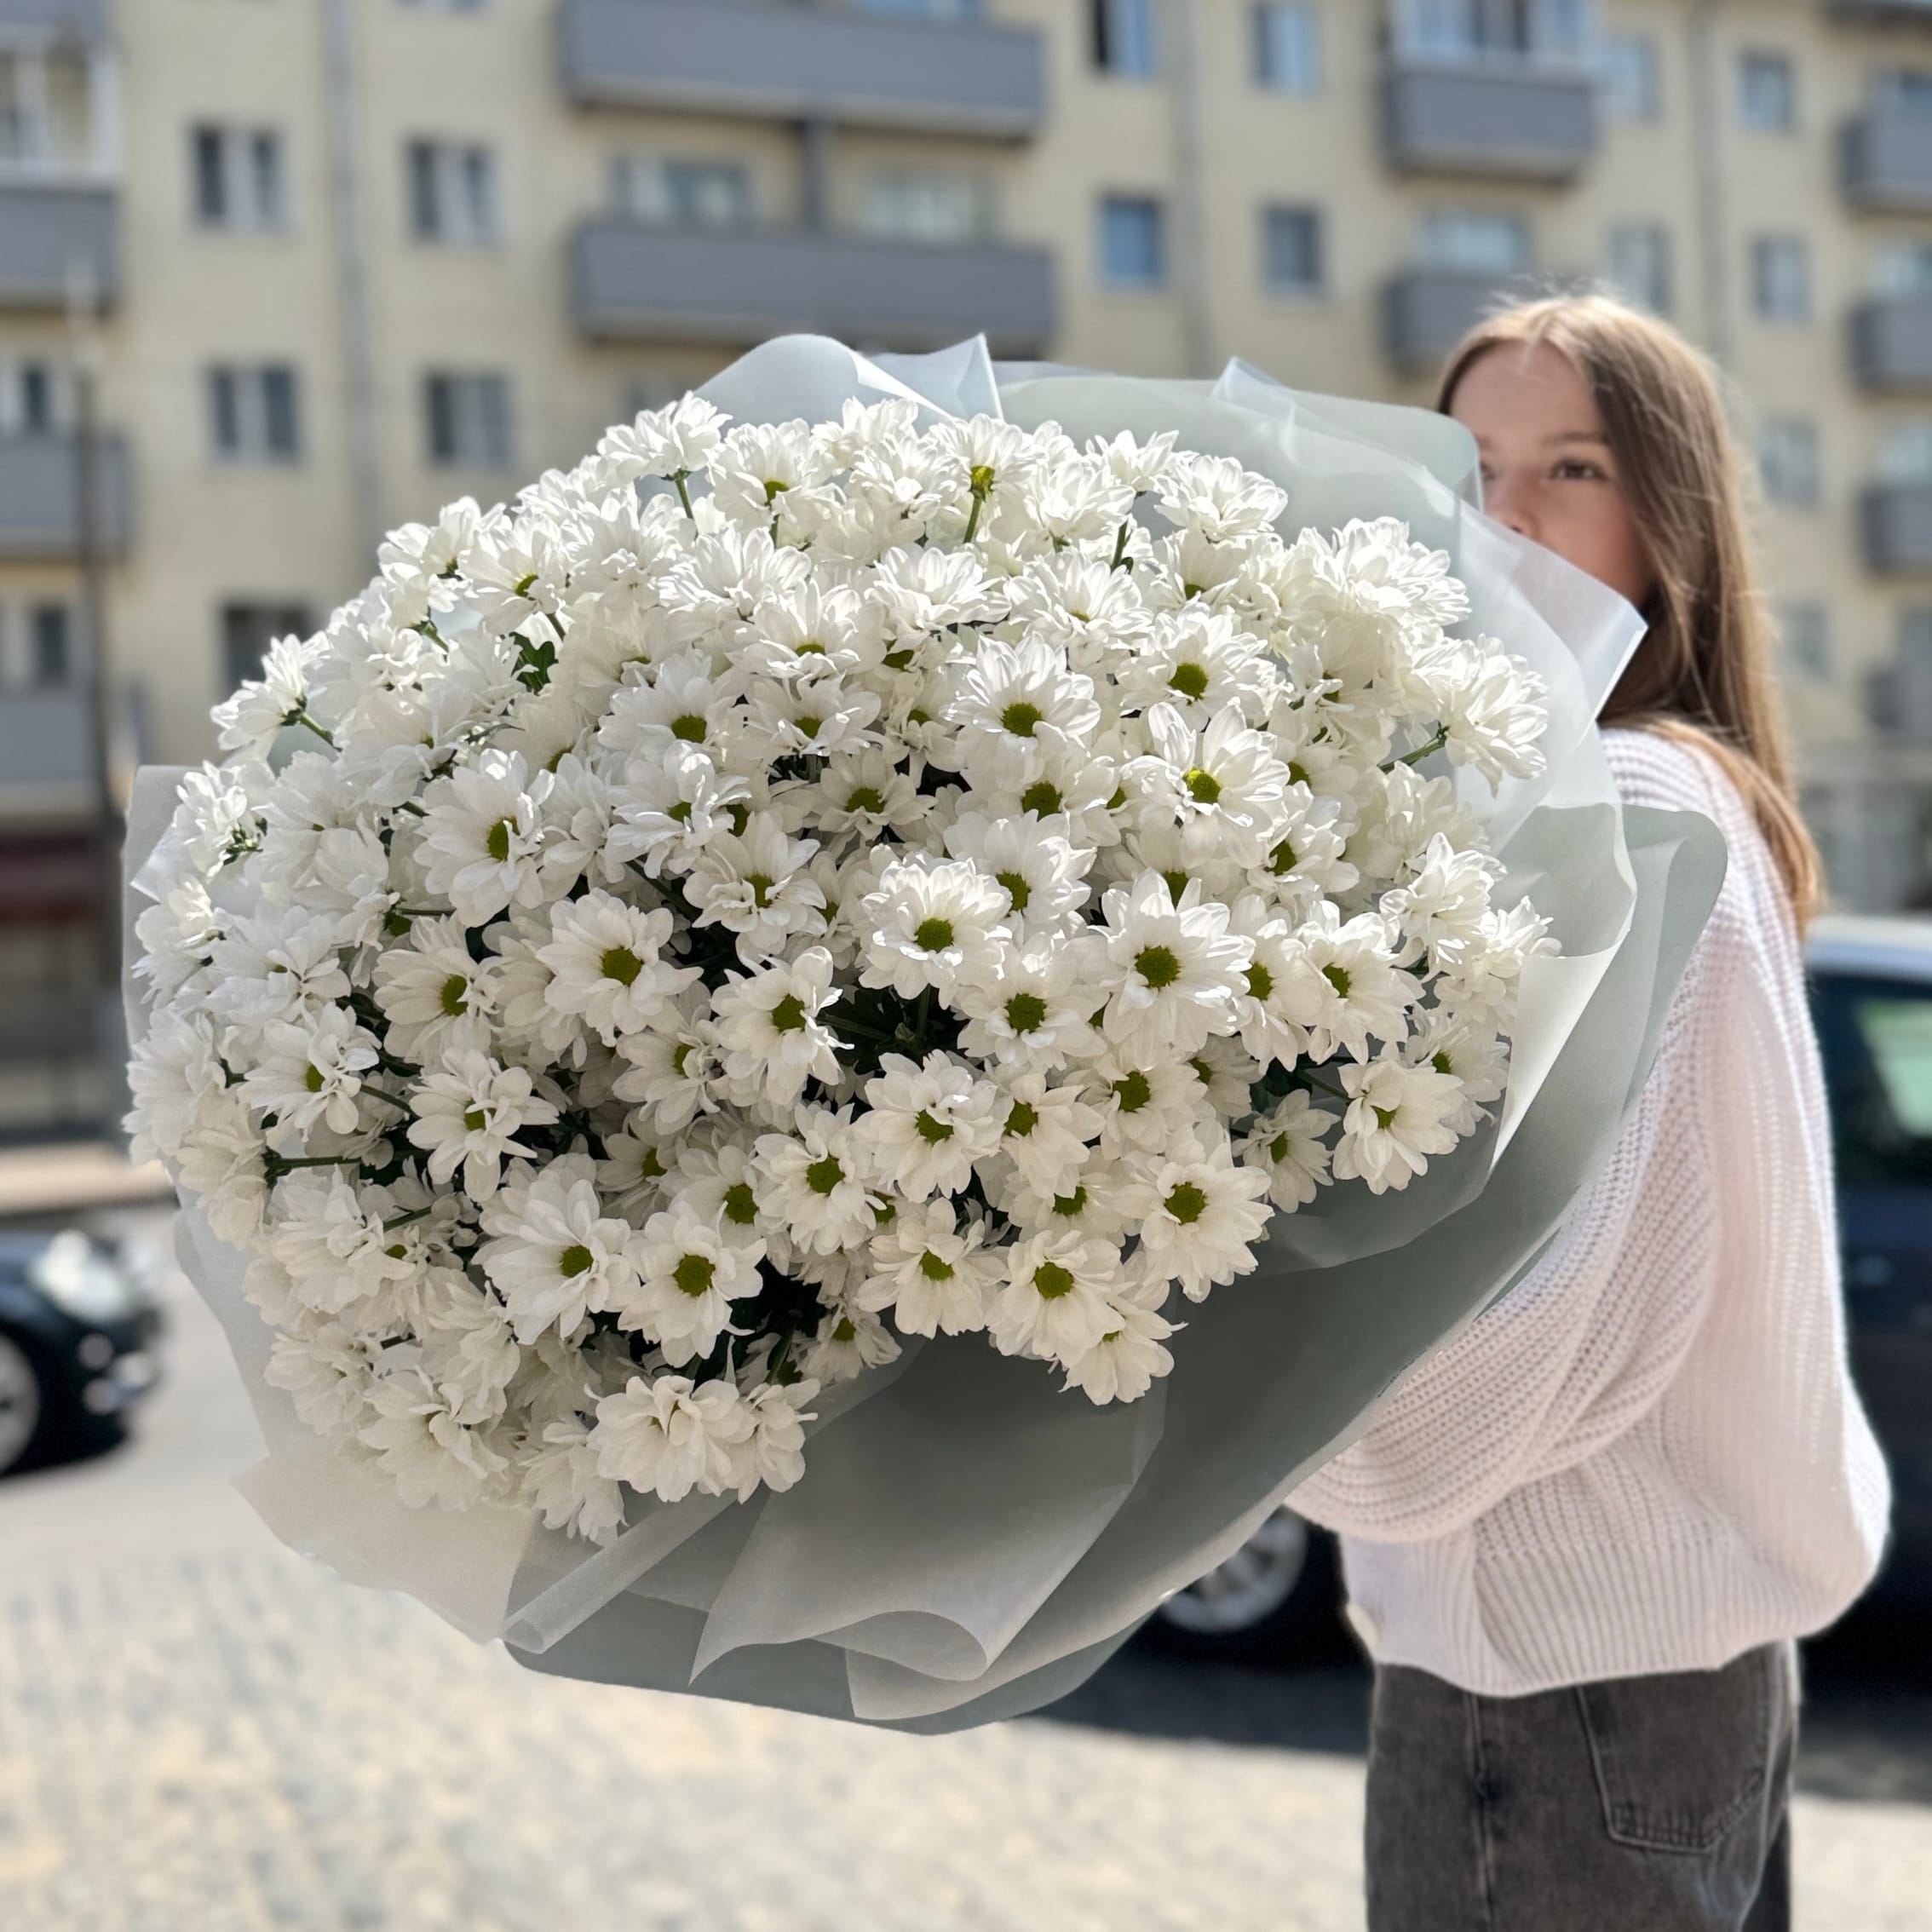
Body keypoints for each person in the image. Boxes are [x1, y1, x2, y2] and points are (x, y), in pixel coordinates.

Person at [1287, 293, 1892, 1932]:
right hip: (1666, 1664)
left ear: (1670, 514)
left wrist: (1246, 1415)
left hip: (1551, 1682)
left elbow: (1554, 1306)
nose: (1510, 520)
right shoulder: (1672, 788)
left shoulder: (1625, 803)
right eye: (1472, 468)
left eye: (1573, 467)